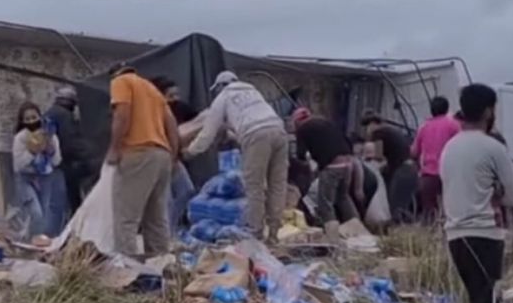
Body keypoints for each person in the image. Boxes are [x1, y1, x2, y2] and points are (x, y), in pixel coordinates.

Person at [439, 83, 513, 303]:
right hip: (485, 235)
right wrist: (496, 191)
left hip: (455, 234)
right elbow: (512, 197)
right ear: (488, 110)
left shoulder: (451, 146)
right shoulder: (493, 147)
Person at [185, 71, 289, 239]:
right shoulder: (254, 92)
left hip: (255, 135)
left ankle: (256, 232)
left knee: (254, 186)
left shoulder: (223, 97)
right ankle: (274, 233)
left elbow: (208, 133)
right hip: (279, 131)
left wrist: (191, 151)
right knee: (277, 184)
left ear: (220, 86)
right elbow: (253, 121)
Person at [108, 64, 178, 257]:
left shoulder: (120, 82)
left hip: (138, 152)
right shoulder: (152, 89)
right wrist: (173, 155)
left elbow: (122, 114)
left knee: (126, 218)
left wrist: (114, 149)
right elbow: (171, 124)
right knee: (156, 218)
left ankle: (128, 270)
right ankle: (161, 264)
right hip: (161, 154)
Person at [293, 107, 360, 237]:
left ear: (296, 122)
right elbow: (347, 142)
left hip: (332, 167)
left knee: (325, 204)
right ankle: (357, 232)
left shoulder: (302, 129)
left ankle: (332, 237)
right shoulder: (326, 122)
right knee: (343, 198)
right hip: (348, 164)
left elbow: (300, 155)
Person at [151, 76, 198, 234]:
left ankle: (173, 228)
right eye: (171, 96)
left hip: (174, 159)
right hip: (159, 159)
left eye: (177, 95)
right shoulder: (153, 113)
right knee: (167, 201)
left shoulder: (179, 108)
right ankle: (167, 236)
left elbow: (198, 119)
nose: (175, 99)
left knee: (187, 190)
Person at [12, 102, 63, 238]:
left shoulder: (49, 135)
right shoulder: (20, 138)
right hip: (26, 179)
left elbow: (56, 161)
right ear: (22, 121)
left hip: (45, 178)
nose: (31, 121)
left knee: (44, 215)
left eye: (34, 117)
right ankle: (33, 241)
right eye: (27, 119)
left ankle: (32, 240)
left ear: (40, 117)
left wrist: (50, 150)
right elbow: (18, 165)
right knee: (36, 213)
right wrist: (32, 152)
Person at [45, 86, 95, 215]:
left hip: (49, 166)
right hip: (66, 165)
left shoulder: (48, 114)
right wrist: (87, 158)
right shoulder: (64, 115)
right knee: (73, 201)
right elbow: (70, 141)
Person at [411, 97, 460, 223]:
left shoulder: (423, 127)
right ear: (447, 108)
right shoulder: (453, 125)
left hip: (428, 175)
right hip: (450, 175)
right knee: (451, 212)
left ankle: (430, 237)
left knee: (429, 213)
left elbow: (414, 152)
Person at [363, 113, 418, 224]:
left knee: (396, 208)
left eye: (366, 126)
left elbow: (378, 156)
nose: (366, 130)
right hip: (411, 169)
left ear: (373, 124)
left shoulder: (378, 133)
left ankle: (401, 232)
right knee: (403, 206)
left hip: (402, 172)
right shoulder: (391, 130)